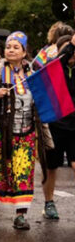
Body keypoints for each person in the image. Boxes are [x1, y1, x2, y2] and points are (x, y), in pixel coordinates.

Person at [0, 32, 53, 230]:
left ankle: (20, 216)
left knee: (23, 173)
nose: (11, 49)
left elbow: (43, 101)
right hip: (0, 131)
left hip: (27, 132)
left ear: (24, 51)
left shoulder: (33, 73)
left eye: (15, 47)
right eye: (8, 46)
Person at [43, 34, 75, 220]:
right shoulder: (55, 68)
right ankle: (49, 202)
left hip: (74, 125)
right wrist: (70, 45)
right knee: (51, 166)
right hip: (55, 123)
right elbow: (54, 64)